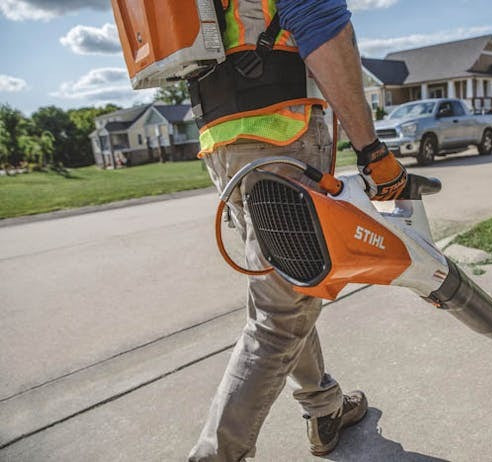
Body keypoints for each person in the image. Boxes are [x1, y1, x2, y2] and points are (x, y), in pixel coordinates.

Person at [188, 1, 407, 460]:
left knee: (288, 287)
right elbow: (322, 26)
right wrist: (371, 151)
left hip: (221, 138)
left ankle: (324, 407)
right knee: (279, 318)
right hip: (281, 131)